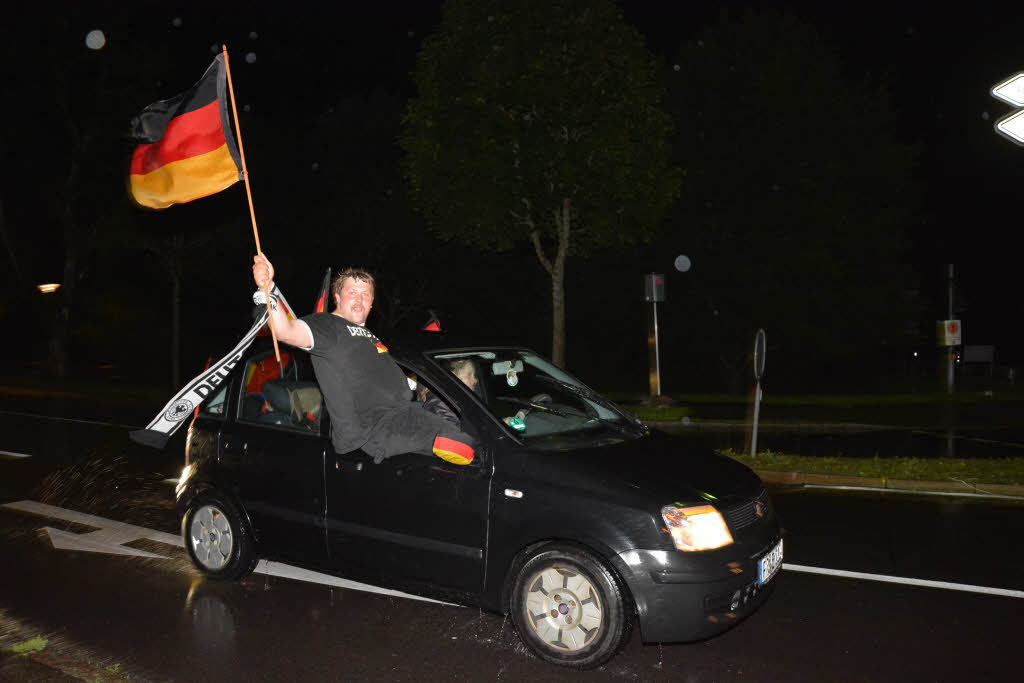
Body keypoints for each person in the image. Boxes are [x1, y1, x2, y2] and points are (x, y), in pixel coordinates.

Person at [251, 253, 475, 465]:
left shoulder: (369, 336)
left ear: (372, 301)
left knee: (468, 435)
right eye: (352, 293)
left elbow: (377, 373)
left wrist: (414, 384)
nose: (359, 300)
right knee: (464, 445)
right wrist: (268, 288)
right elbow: (287, 331)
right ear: (337, 297)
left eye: (365, 294)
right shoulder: (328, 327)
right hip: (378, 430)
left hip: (407, 414)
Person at [421, 359, 477, 427]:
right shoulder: (441, 405)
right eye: (469, 374)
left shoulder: (452, 399)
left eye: (474, 375)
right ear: (454, 376)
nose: (475, 380)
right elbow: (453, 434)